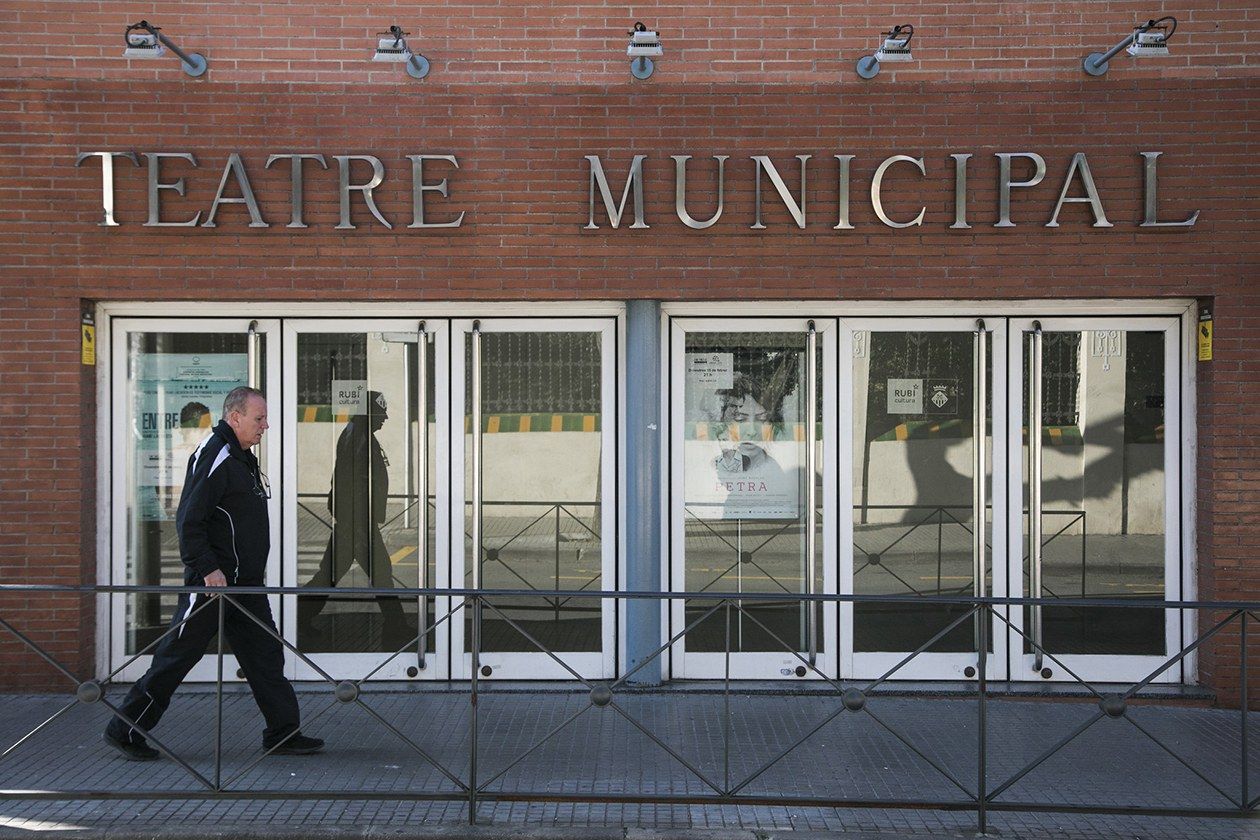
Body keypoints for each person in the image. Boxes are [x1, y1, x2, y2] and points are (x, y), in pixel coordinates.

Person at [104, 387, 323, 761]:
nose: (265, 425)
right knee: (175, 657)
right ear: (235, 417)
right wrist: (208, 569)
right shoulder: (216, 454)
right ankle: (124, 729)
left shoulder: (241, 456)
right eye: (259, 419)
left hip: (245, 587)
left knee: (265, 657)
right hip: (213, 586)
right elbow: (189, 519)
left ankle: (283, 733)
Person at [303, 390, 411, 642]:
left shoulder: (358, 434)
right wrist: (357, 521)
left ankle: (297, 618)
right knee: (379, 573)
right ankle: (395, 627)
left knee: (330, 575)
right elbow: (350, 480)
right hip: (357, 522)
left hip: (356, 521)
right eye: (380, 414)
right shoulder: (358, 437)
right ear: (368, 414)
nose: (384, 419)